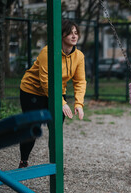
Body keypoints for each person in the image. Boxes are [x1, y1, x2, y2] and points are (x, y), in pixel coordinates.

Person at [18, 20, 87, 168]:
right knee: (32, 127)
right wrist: (61, 103)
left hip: (57, 91)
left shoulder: (79, 56)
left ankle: (55, 165)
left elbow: (80, 81)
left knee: (56, 127)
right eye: (69, 32)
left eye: (76, 33)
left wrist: (79, 103)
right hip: (32, 91)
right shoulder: (47, 52)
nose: (74, 36)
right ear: (61, 35)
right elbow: (46, 81)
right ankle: (23, 161)